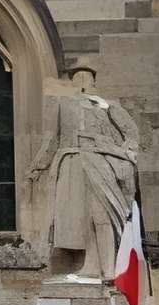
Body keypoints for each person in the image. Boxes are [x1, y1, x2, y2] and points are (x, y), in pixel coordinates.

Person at [29, 66, 140, 280]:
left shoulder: (107, 106)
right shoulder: (63, 104)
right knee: (78, 217)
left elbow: (131, 132)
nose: (81, 81)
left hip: (98, 161)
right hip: (72, 162)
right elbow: (52, 139)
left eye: (86, 77)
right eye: (77, 77)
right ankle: (90, 263)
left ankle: (108, 268)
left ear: (93, 81)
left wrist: (124, 153)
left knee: (101, 212)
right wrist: (37, 165)